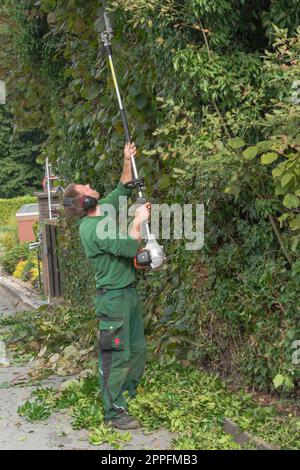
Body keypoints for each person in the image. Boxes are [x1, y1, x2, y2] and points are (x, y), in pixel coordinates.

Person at [63, 143, 150, 430]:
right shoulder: (92, 228)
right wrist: (138, 221)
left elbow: (124, 187)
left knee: (136, 349)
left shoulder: (102, 212)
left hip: (127, 293)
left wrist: (127, 159)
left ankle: (129, 397)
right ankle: (114, 413)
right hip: (112, 299)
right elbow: (129, 247)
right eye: (85, 188)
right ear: (85, 202)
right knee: (117, 356)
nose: (90, 185)